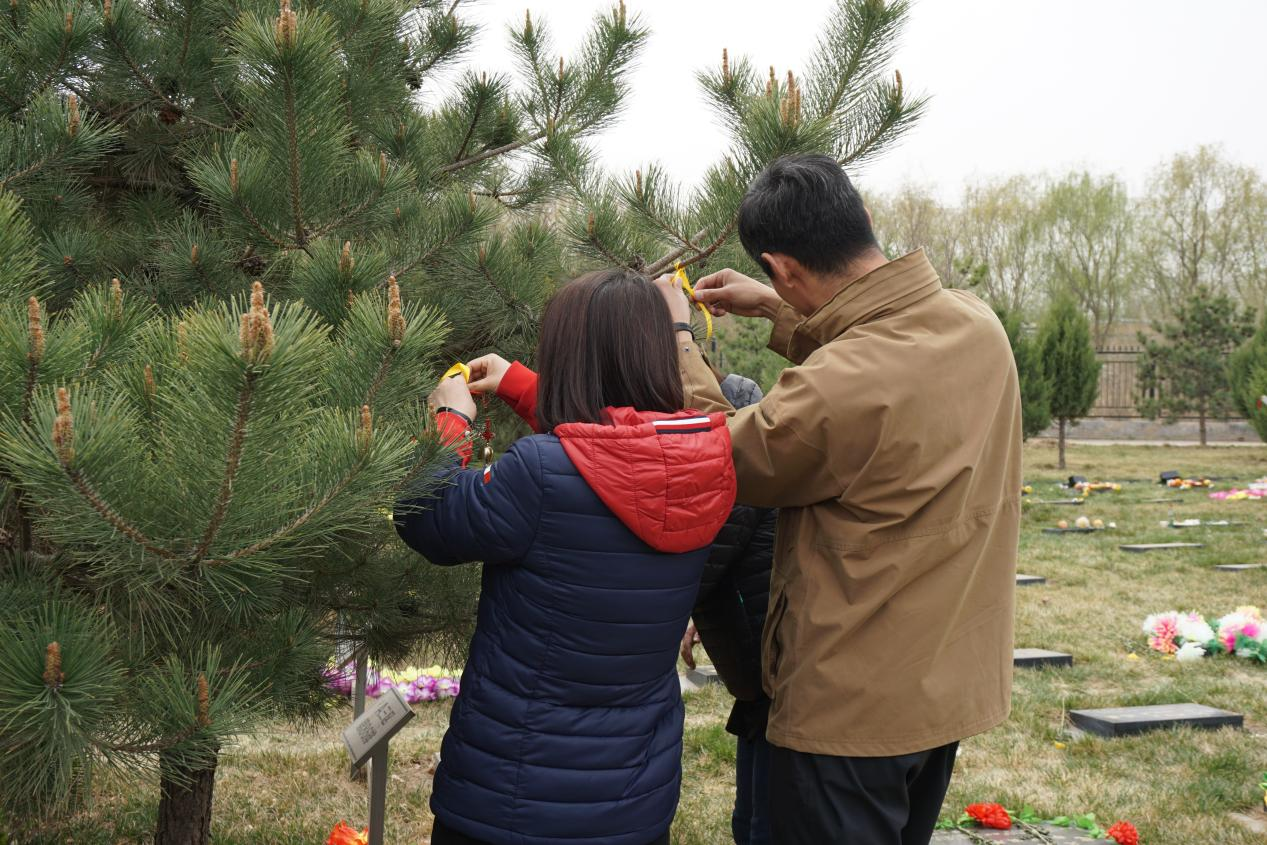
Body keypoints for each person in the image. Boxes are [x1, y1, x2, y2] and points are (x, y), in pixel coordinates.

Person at [653, 153, 1022, 845]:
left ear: (784, 265)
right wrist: (774, 305)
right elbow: (877, 366)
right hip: (939, 692)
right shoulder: (977, 326)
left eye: (778, 279)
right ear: (864, 220)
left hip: (847, 717)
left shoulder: (838, 383)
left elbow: (718, 453)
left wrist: (677, 338)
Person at [394, 268, 737, 845]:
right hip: (634, 799)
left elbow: (424, 518)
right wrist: (521, 385)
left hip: (513, 800)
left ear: (570, 356)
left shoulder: (537, 472)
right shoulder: (702, 462)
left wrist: (448, 423)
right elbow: (611, 455)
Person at [679, 372, 777, 845]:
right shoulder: (733, 409)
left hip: (776, 668)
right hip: (758, 671)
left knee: (764, 824)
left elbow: (705, 555)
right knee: (752, 818)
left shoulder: (735, 438)